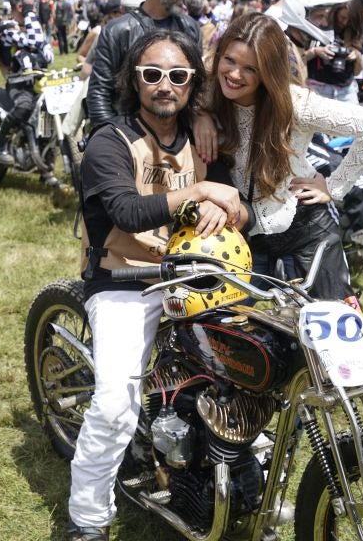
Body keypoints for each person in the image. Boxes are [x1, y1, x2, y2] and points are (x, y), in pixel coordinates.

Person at [68, 29, 248, 541]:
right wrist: (199, 189)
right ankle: (88, 519)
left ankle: (230, 471)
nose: (163, 85)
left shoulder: (204, 137)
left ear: (193, 82)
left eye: (177, 75)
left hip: (199, 277)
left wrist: (228, 202)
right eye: (151, 75)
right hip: (126, 279)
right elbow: (125, 209)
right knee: (113, 406)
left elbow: (245, 204)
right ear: (133, 81)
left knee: (249, 375)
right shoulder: (109, 140)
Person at [207, 12, 363, 300]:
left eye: (250, 68)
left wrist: (334, 186)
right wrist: (200, 117)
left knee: (333, 328)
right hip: (242, 231)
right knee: (236, 332)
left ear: (268, 71)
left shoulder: (296, 103)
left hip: (305, 226)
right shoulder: (210, 94)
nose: (234, 74)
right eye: (229, 60)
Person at [86, 0, 202, 129]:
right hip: (128, 140)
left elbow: (198, 88)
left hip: (180, 139)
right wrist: (112, 141)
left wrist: (201, 122)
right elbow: (99, 93)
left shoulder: (191, 28)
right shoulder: (117, 31)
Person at [0, 0, 55, 175]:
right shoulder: (7, 27)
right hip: (18, 85)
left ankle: (46, 169)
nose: (34, 10)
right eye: (30, 6)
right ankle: (1, 145)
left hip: (39, 82)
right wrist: (29, 14)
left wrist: (39, 47)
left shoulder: (30, 27)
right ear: (20, 7)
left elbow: (49, 56)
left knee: (49, 120)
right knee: (24, 107)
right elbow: (36, 42)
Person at [304, 0, 363, 103]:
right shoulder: (320, 26)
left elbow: (357, 71)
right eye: (342, 17)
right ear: (335, 12)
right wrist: (317, 51)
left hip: (346, 90)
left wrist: (356, 55)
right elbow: (299, 58)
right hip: (318, 88)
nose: (345, 22)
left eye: (350, 20)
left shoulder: (355, 32)